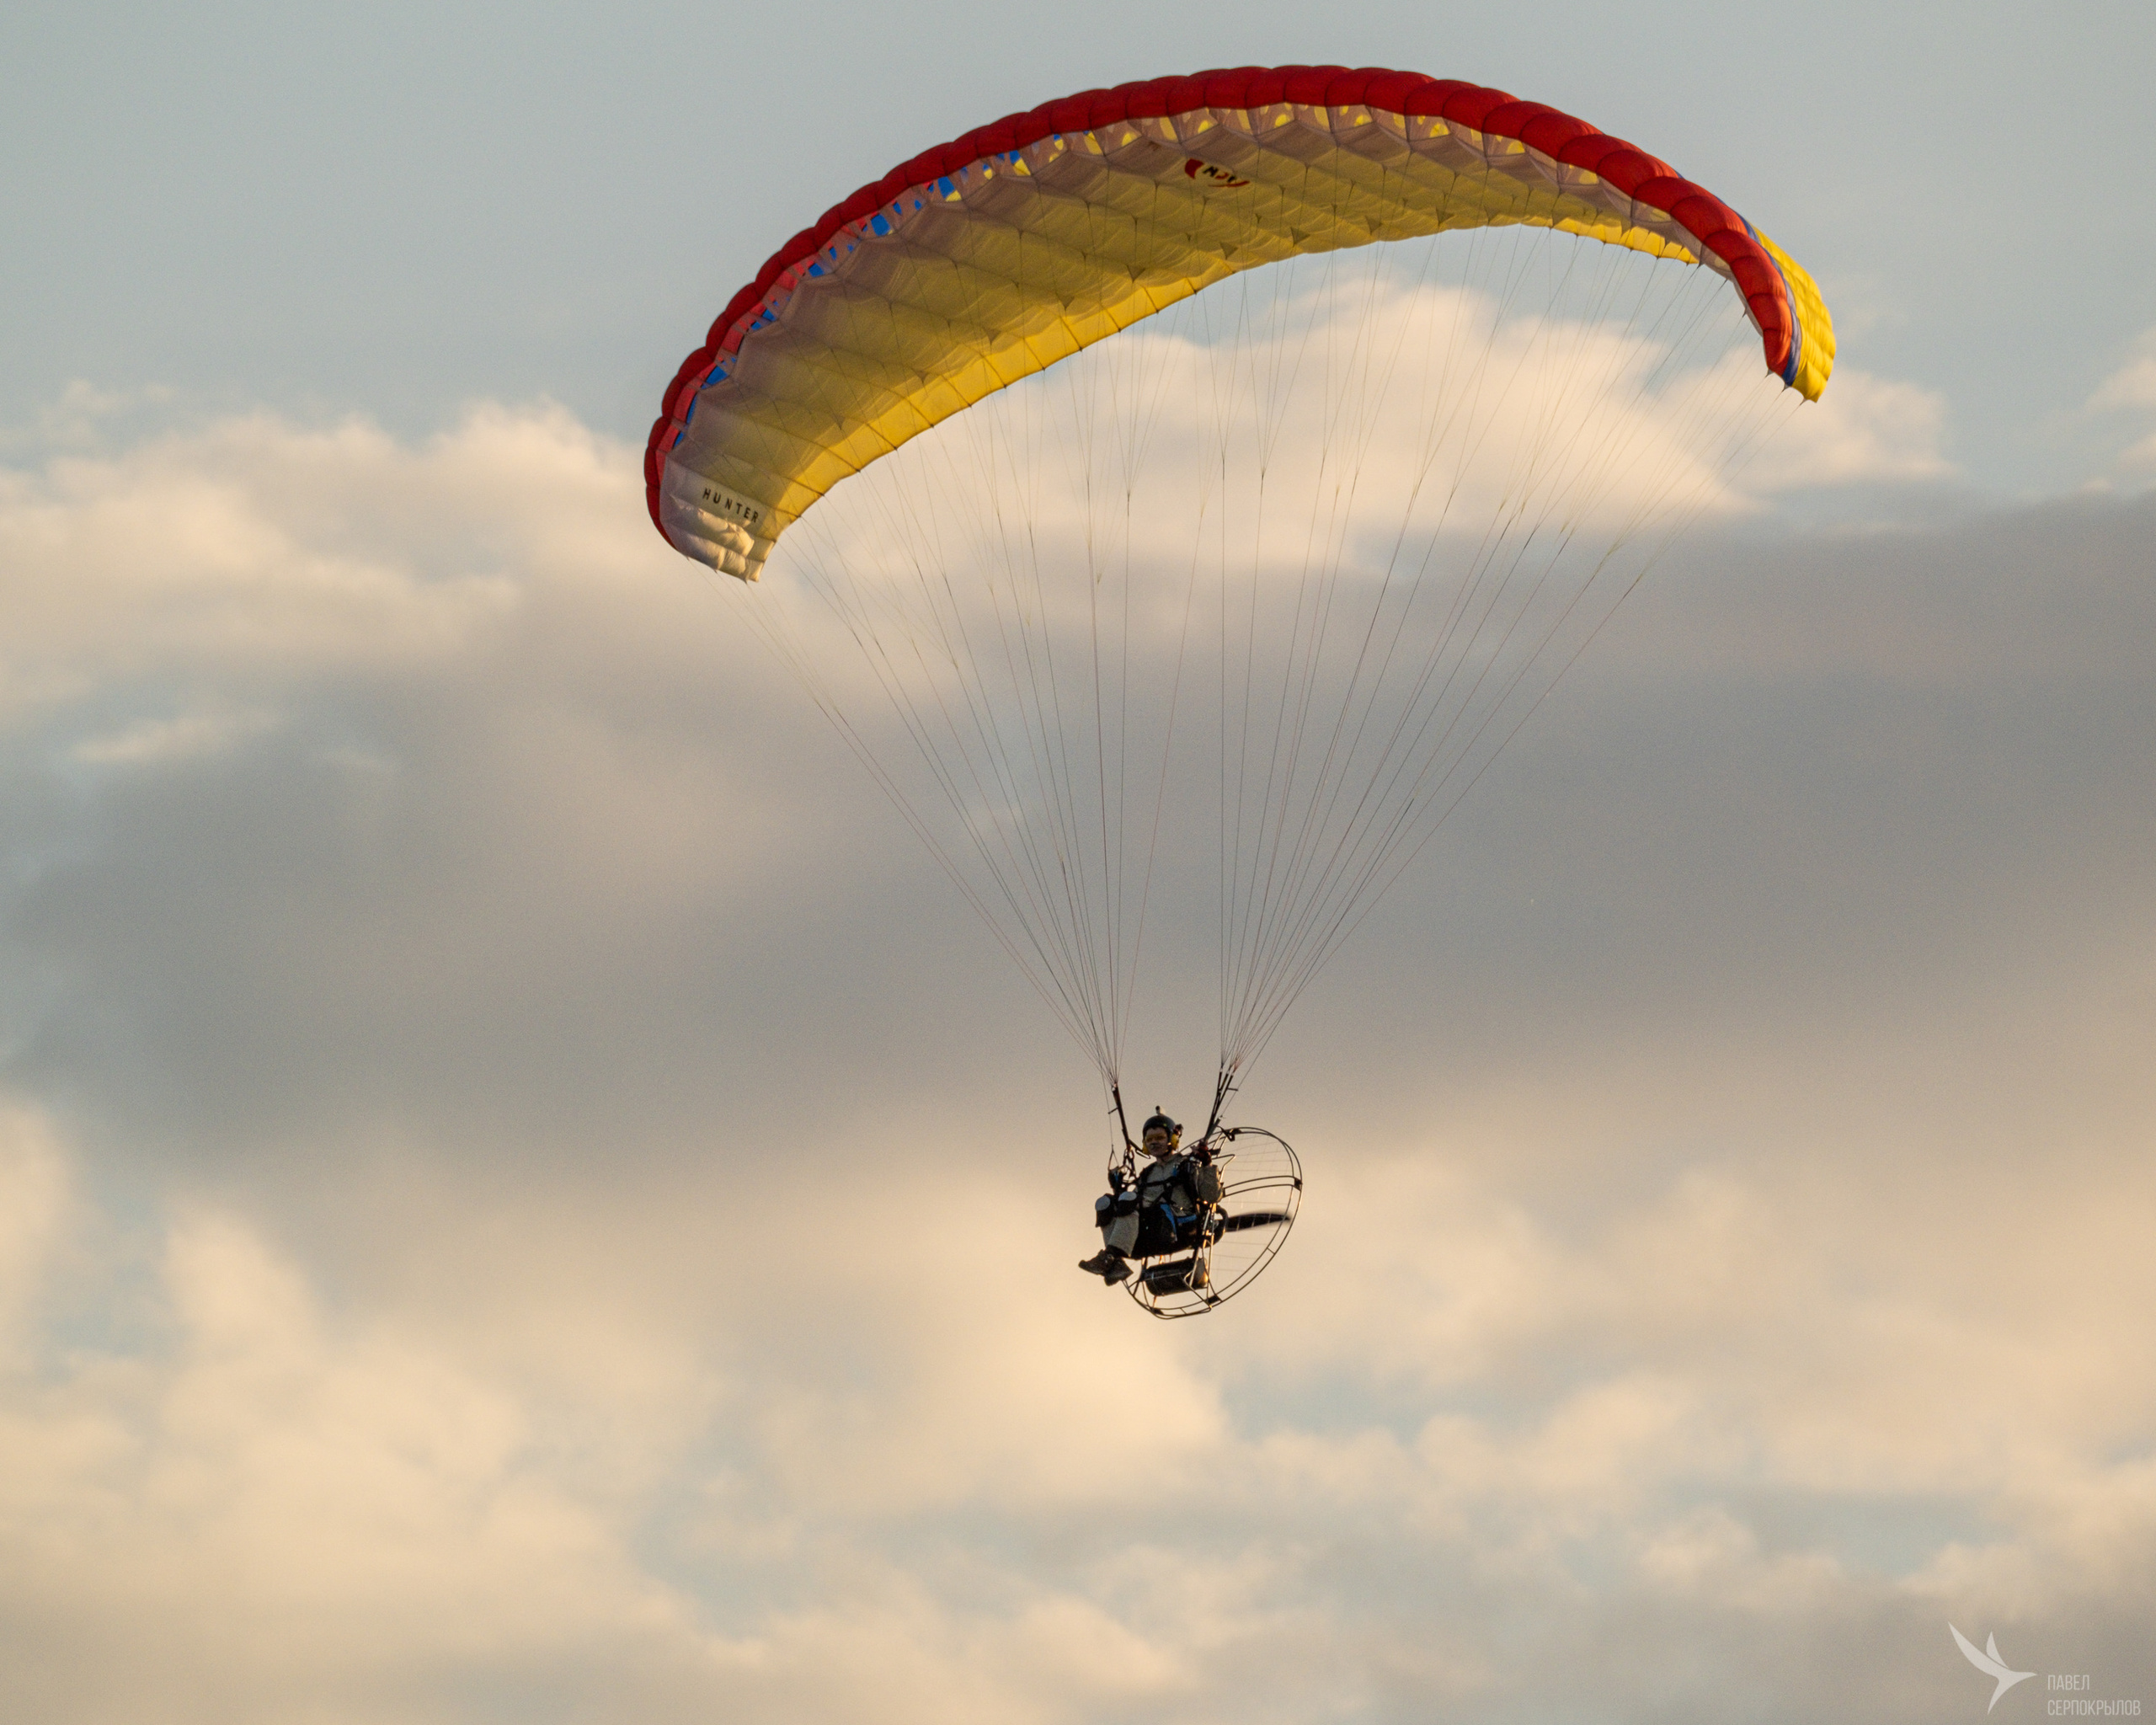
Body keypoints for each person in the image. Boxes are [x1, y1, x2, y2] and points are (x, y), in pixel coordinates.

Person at [1079, 1111, 1208, 1284]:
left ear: (1173, 1139)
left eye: (1159, 1137)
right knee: (1105, 1203)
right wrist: (1117, 1189)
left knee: (1129, 1199)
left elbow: (1212, 1196)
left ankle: (1110, 1258)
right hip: (1147, 1236)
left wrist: (1207, 1165)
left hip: (1177, 1230)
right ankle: (1115, 1261)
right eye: (1149, 1140)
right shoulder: (1148, 1173)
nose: (1154, 1142)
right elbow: (1130, 1212)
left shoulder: (1187, 1165)